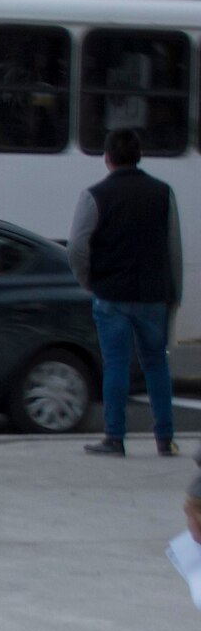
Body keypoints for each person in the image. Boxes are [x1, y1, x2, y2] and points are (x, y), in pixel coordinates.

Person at [71, 127, 185, 457]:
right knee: (156, 364)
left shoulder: (94, 196)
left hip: (111, 294)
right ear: (139, 156)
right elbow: (174, 248)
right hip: (153, 294)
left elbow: (77, 246)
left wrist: (89, 281)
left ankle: (114, 437)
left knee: (116, 365)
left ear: (107, 158)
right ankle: (165, 437)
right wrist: (174, 292)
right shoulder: (163, 193)